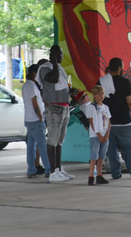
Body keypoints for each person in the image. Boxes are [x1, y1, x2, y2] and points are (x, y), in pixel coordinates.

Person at [99, 57, 131, 180]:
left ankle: (115, 173)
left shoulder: (101, 82)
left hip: (107, 122)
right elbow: (130, 102)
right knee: (128, 147)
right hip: (124, 122)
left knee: (111, 150)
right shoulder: (125, 82)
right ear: (119, 68)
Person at [36, 45, 74, 182]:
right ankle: (52, 172)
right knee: (52, 140)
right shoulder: (46, 68)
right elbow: (53, 78)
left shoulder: (58, 67)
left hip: (64, 107)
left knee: (59, 141)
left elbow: (63, 84)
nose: (62, 57)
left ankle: (58, 169)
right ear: (54, 55)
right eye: (60, 54)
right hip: (54, 109)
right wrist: (53, 61)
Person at [22, 64, 51, 179]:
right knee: (42, 145)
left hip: (29, 119)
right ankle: (48, 169)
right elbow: (34, 102)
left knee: (31, 146)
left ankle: (31, 170)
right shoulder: (32, 86)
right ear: (34, 73)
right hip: (35, 120)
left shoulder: (26, 85)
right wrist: (40, 116)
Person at [85, 85, 111, 185]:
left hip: (105, 134)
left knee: (101, 156)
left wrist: (107, 134)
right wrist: (98, 134)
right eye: (99, 94)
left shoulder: (106, 107)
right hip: (95, 135)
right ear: (94, 95)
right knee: (94, 156)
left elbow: (109, 121)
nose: (101, 96)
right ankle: (91, 176)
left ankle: (99, 175)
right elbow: (92, 121)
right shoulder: (91, 107)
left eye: (102, 94)